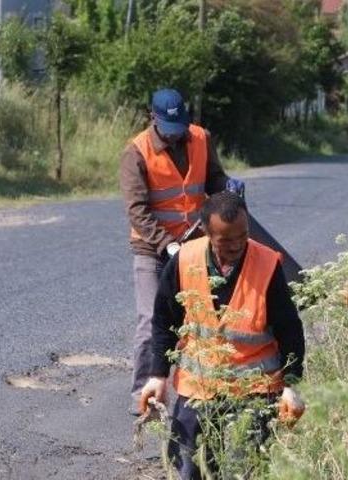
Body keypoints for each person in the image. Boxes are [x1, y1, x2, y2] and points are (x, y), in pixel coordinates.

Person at [139, 192, 306, 479]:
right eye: (226, 240)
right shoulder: (183, 261)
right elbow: (164, 321)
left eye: (242, 236)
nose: (237, 245)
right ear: (206, 232)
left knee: (246, 470)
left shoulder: (267, 263)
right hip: (199, 386)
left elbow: (289, 328)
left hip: (255, 390)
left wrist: (290, 384)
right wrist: (158, 375)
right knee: (189, 466)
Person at [119, 88, 243, 414]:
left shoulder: (200, 138)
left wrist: (227, 185)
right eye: (170, 131)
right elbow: (138, 211)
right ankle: (142, 399)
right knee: (151, 321)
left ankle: (201, 393)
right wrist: (166, 244)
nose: (177, 137)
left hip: (195, 245)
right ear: (153, 119)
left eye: (181, 129)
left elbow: (213, 178)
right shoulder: (136, 152)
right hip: (152, 249)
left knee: (204, 318)